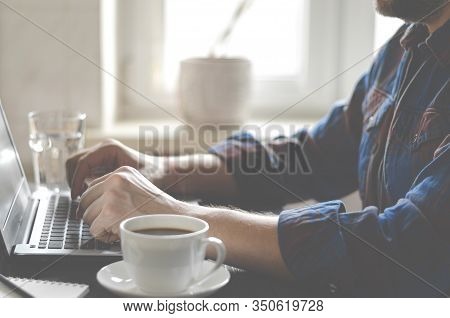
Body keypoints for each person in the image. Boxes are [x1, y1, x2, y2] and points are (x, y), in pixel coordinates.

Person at [66, 0, 450, 296]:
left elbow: (403, 249)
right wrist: (161, 170)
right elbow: (314, 156)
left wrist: (172, 215)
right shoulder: (404, 49)